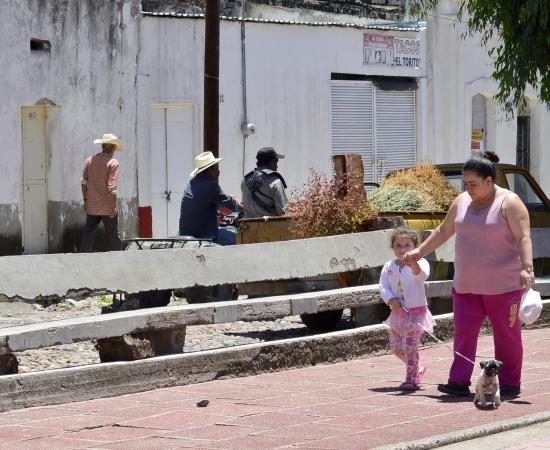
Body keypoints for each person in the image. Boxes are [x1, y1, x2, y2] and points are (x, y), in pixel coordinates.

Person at [404, 151, 535, 397]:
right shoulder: (461, 201)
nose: (469, 188)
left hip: (504, 286)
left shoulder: (510, 202)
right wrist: (419, 252)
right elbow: (444, 231)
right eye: (466, 184)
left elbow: (523, 237)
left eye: (474, 184)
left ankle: (509, 382)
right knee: (463, 333)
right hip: (466, 285)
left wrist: (527, 268)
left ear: (489, 181)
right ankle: (459, 380)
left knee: (506, 336)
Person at [380, 226, 434, 391]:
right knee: (396, 347)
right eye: (398, 245)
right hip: (397, 313)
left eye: (407, 245)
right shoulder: (389, 266)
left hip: (416, 313)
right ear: (393, 247)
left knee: (409, 345)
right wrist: (390, 300)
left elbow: (421, 276)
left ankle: (411, 378)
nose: (402, 249)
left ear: (415, 247)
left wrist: (413, 263)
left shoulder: (421, 262)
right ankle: (417, 366)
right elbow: (383, 286)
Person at [178, 151, 242, 245]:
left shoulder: (191, 184)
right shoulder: (211, 186)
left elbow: (216, 205)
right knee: (239, 238)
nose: (218, 172)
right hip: (203, 239)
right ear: (209, 170)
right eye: (217, 169)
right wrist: (247, 207)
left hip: (185, 236)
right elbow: (231, 207)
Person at [80, 133, 124, 252]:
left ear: (103, 146)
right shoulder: (113, 163)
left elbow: (83, 182)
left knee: (88, 232)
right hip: (107, 206)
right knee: (112, 235)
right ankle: (118, 259)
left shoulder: (90, 160)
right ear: (113, 148)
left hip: (92, 204)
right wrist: (112, 207)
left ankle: (83, 257)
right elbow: (112, 187)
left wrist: (85, 200)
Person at [241, 147, 288, 218]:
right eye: (276, 161)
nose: (277, 165)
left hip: (248, 226)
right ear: (271, 162)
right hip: (270, 226)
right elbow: (283, 211)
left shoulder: (245, 180)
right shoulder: (275, 181)